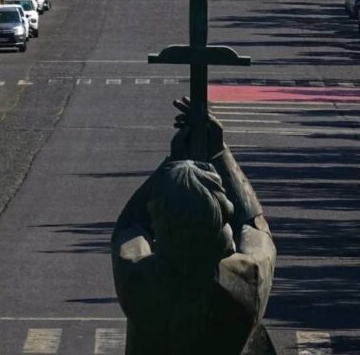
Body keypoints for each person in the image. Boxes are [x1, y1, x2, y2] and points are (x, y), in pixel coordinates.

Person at [111, 99, 276, 355]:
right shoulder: (246, 279)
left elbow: (130, 225)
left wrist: (171, 163)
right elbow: (254, 225)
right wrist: (220, 154)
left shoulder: (140, 281)